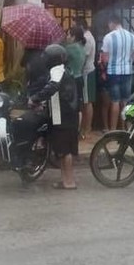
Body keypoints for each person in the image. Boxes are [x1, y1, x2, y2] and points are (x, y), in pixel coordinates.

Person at [28, 44, 81, 190]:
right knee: (63, 151)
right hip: (65, 114)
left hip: (63, 116)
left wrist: (35, 98)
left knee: (65, 151)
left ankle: (69, 182)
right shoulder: (62, 70)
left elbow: (52, 88)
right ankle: (65, 181)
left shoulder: (57, 71)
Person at [101, 15, 134, 131]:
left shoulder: (108, 37)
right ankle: (126, 128)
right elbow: (133, 56)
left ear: (112, 23)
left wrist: (104, 67)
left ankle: (113, 130)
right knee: (125, 101)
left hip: (113, 72)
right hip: (127, 72)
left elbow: (105, 58)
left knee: (115, 101)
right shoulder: (132, 36)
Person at [78, 18, 98, 138]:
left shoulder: (87, 38)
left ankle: (87, 128)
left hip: (87, 72)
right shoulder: (87, 36)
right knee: (86, 101)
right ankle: (85, 127)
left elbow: (83, 57)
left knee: (87, 101)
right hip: (87, 71)